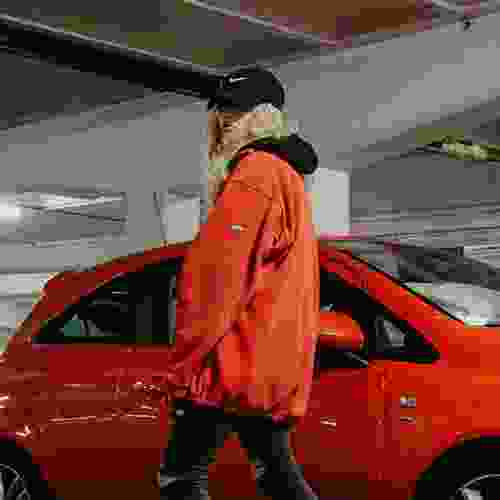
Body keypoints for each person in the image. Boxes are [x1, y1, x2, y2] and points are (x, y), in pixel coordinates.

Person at [161, 66, 321, 500]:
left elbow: (215, 281)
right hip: (263, 360)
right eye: (222, 111)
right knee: (276, 475)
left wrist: (184, 364)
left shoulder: (255, 175)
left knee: (180, 479)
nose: (225, 122)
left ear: (263, 117)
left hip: (230, 361)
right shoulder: (285, 176)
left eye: (236, 113)